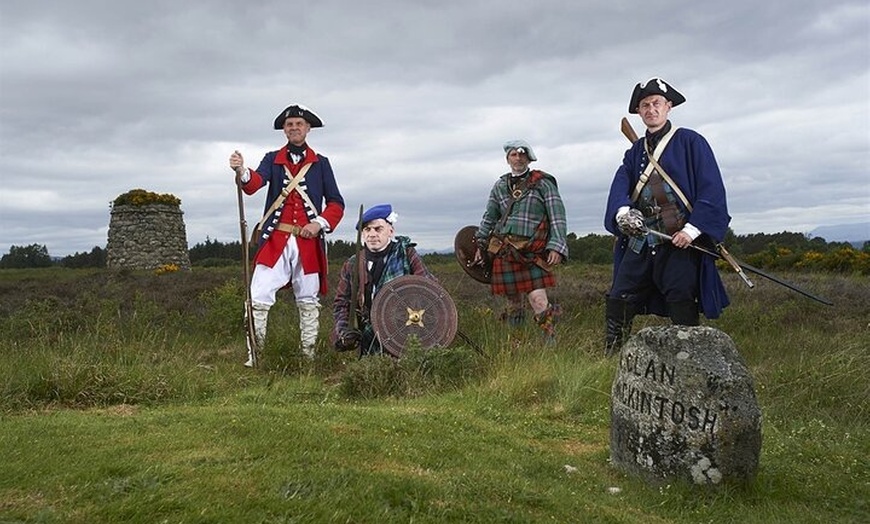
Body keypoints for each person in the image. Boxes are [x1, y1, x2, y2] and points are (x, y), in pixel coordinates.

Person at [603, 77, 731, 356]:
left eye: (656, 103)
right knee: (619, 297)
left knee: (681, 298)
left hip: (677, 238)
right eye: (645, 105)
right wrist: (623, 212)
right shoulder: (634, 152)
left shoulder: (691, 142)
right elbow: (620, 185)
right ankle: (612, 358)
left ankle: (687, 360)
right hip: (641, 237)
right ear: (639, 112)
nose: (651, 109)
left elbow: (711, 190)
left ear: (668, 106)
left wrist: (693, 231)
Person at [229, 104, 344, 366]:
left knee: (308, 301)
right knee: (257, 297)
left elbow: (336, 203)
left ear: (308, 129)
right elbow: (254, 184)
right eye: (289, 124)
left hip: (307, 243)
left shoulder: (321, 164)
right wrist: (241, 171)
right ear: (284, 129)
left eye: (299, 124)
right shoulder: (272, 159)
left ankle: (308, 358)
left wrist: (319, 223)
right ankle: (255, 357)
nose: (294, 128)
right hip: (276, 241)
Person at [472, 140, 568, 341]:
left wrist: (557, 247)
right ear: (508, 159)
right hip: (505, 250)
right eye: (513, 155)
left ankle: (550, 342)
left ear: (529, 157)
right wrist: (480, 243)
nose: (517, 158)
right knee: (513, 303)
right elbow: (489, 217)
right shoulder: (499, 186)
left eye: (521, 154)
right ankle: (516, 344)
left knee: (538, 300)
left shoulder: (543, 183)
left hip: (532, 251)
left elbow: (557, 216)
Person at [331, 204, 434, 356]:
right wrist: (344, 330)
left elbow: (429, 289)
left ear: (391, 231)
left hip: (407, 333)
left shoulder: (406, 254)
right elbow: (342, 304)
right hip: (370, 336)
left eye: (378, 229)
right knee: (371, 374)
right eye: (367, 229)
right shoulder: (353, 264)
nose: (372, 234)